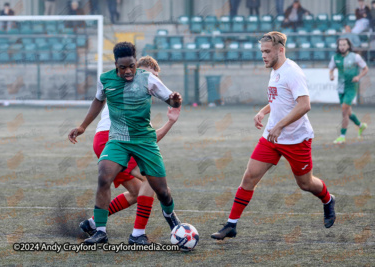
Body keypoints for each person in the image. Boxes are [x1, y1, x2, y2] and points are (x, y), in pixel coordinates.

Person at [211, 31, 336, 240]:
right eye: (262, 51)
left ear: (280, 50)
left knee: (305, 184)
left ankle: (328, 199)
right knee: (249, 177)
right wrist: (263, 111)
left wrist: (279, 125)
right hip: (271, 139)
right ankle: (231, 225)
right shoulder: (275, 69)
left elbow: (304, 105)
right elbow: (280, 99)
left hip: (297, 139)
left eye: (267, 51)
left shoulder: (292, 72)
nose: (263, 55)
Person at [68, 42, 182, 244]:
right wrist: (83, 126)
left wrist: (175, 100)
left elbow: (171, 100)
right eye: (123, 68)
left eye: (131, 66)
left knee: (162, 191)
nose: (128, 71)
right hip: (117, 139)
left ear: (135, 63)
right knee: (104, 177)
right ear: (115, 65)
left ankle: (171, 218)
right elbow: (98, 100)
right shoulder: (105, 79)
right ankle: (101, 231)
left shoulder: (148, 79)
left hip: (144, 141)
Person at [329, 38, 368, 144]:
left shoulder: (355, 57)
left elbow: (365, 68)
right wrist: (331, 75)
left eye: (344, 45)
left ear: (348, 46)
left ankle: (342, 136)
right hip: (340, 88)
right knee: (348, 112)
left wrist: (358, 77)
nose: (342, 47)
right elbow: (331, 69)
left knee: (344, 110)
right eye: (340, 45)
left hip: (351, 87)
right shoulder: (335, 57)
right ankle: (361, 125)